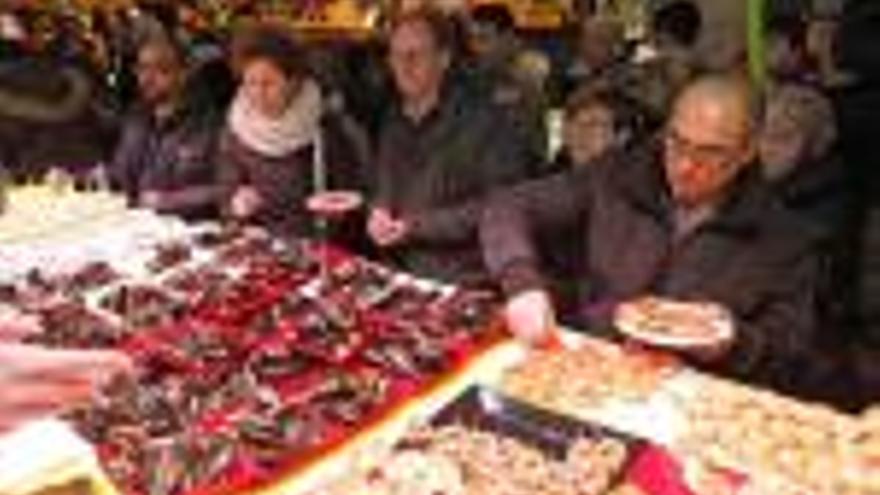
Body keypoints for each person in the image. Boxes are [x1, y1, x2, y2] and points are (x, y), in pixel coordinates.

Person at [481, 75, 825, 391]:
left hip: (692, 396)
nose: (685, 166)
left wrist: (734, 343)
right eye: (677, 143)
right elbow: (509, 206)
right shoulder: (617, 175)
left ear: (748, 152)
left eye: (710, 153)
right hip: (589, 368)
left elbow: (792, 355)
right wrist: (522, 283)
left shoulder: (783, 237)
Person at [368, 9, 531, 285]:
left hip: (460, 278)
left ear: (443, 59)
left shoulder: (488, 121)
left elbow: (499, 206)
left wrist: (415, 227)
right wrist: (379, 210)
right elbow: (383, 185)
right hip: (397, 270)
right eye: (396, 55)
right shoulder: (392, 117)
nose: (403, 65)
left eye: (416, 55)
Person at [217, 26, 366, 239]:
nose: (258, 94)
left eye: (269, 83)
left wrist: (335, 213)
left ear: (293, 82)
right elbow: (226, 195)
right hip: (260, 245)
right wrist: (235, 205)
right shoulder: (237, 125)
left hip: (314, 246)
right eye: (250, 83)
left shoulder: (324, 125)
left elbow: (352, 199)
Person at [109, 32, 221, 219]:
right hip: (134, 227)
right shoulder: (136, 118)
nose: (147, 78)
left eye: (161, 69)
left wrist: (169, 200)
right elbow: (120, 174)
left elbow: (225, 189)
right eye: (142, 68)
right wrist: (92, 176)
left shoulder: (209, 123)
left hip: (187, 231)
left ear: (184, 73)